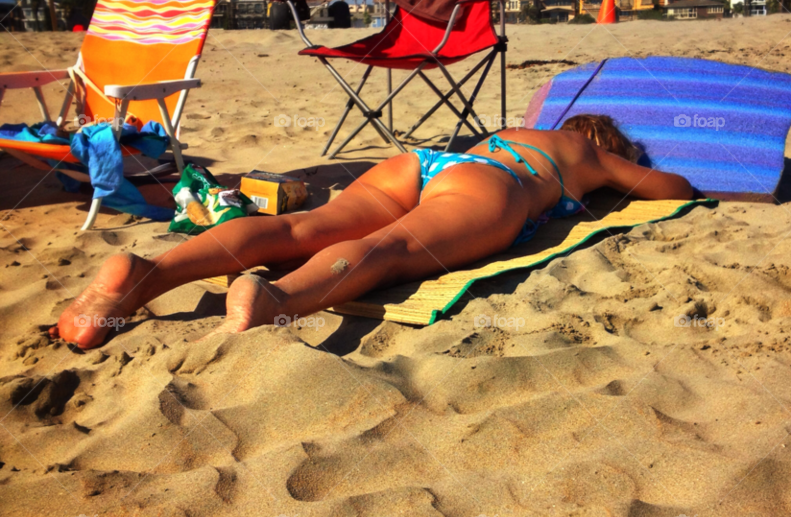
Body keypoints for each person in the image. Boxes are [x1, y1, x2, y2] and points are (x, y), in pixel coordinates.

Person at [55, 114, 696, 350]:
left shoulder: (522, 128)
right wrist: (625, 171)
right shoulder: (579, 151)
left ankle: (149, 275)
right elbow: (665, 189)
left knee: (298, 224)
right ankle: (280, 299)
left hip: (427, 162)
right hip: (494, 186)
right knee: (390, 251)